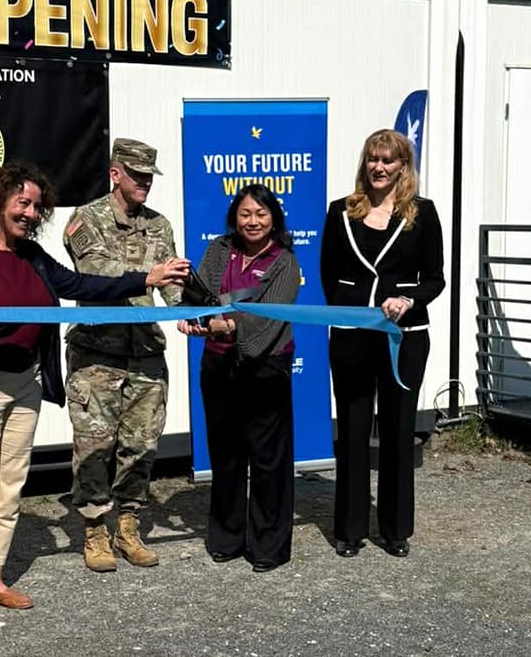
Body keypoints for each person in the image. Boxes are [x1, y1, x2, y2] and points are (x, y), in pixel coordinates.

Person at [0, 162, 188, 629]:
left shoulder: (34, 257)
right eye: (21, 203)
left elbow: (83, 285)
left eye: (36, 205)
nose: (29, 213)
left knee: (9, 490)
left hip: (25, 385)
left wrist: (145, 279)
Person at [319, 128, 445, 559]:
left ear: (402, 167)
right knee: (353, 430)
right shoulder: (340, 212)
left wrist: (408, 299)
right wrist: (352, 311)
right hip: (353, 337)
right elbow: (328, 275)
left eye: (388, 160)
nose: (379, 167)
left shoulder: (423, 214)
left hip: (404, 339)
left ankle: (395, 529)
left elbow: (435, 278)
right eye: (373, 158)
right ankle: (350, 530)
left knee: (397, 430)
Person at [62, 137, 184, 573]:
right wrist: (148, 276)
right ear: (115, 174)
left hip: (145, 352)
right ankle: (95, 528)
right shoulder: (86, 219)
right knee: (95, 446)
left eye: (149, 176)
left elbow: (172, 284)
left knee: (141, 445)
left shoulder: (160, 225)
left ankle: (128, 525)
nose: (144, 183)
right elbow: (93, 271)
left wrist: (191, 313)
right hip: (97, 355)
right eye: (136, 175)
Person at [178, 183, 301, 573]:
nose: (253, 221)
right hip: (218, 367)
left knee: (268, 460)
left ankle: (269, 546)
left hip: (266, 368)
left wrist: (224, 323)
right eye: (245, 214)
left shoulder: (285, 261)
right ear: (235, 217)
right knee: (226, 456)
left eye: (261, 214)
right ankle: (227, 538)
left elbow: (269, 315)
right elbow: (200, 294)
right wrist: (198, 320)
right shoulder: (218, 249)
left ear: (273, 219)